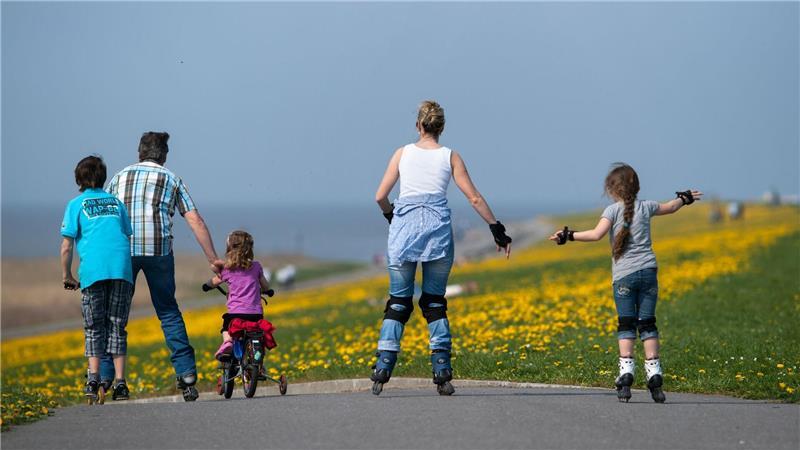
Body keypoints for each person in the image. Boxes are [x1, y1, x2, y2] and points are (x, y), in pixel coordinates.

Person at [370, 100, 513, 396]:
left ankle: (383, 366)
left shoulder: (402, 153)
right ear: (441, 128)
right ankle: (442, 371)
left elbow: (380, 196)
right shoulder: (450, 157)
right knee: (434, 303)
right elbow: (473, 197)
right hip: (437, 234)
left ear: (418, 126)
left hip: (404, 232)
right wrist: (496, 228)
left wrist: (391, 216)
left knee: (398, 303)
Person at [548, 163, 702, 403]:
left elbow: (595, 235)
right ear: (637, 187)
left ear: (612, 189)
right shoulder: (648, 206)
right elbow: (671, 207)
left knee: (626, 325)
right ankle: (655, 376)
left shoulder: (611, 211)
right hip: (649, 272)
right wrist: (685, 198)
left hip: (624, 276)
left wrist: (568, 235)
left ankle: (626, 374)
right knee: (648, 324)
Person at [101, 131, 223, 401]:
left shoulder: (118, 177)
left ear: (139, 152)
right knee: (168, 311)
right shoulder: (171, 178)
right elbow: (195, 220)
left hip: (124, 252)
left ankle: (108, 377)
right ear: (164, 156)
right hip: (159, 251)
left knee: (115, 315)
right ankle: (186, 374)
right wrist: (213, 259)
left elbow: (105, 219)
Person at [60, 156, 134, 403]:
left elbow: (66, 247)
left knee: (94, 327)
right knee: (116, 326)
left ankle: (93, 378)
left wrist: (67, 275)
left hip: (93, 272)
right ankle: (120, 383)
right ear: (103, 177)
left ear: (78, 179)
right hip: (121, 270)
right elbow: (125, 234)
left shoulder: (76, 204)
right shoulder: (116, 203)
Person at [202, 231, 275, 361]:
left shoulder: (227, 269)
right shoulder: (256, 266)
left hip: (236, 314)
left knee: (226, 327)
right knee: (257, 335)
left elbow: (214, 282)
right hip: (256, 314)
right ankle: (258, 363)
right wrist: (268, 291)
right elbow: (265, 285)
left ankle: (228, 342)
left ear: (229, 248)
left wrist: (206, 286)